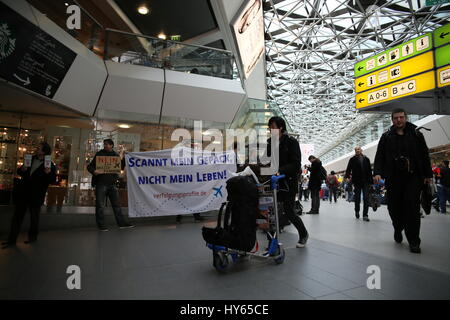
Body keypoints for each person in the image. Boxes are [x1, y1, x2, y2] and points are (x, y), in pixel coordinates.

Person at [374, 109, 433, 254]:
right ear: (392, 120)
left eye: (401, 117)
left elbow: (424, 155)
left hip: (413, 177)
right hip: (393, 178)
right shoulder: (386, 137)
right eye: (396, 118)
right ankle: (398, 227)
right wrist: (377, 172)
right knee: (394, 207)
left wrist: (427, 174)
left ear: (406, 118)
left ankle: (414, 241)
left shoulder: (417, 134)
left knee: (412, 208)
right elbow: (379, 156)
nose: (398, 120)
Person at [2, 142, 56, 248]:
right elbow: (20, 172)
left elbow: (52, 180)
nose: (37, 150)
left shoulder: (49, 164)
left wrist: (48, 173)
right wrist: (22, 170)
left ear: (44, 151)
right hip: (24, 192)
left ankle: (32, 238)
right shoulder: (30, 159)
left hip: (37, 194)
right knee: (17, 216)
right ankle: (11, 240)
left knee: (34, 217)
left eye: (39, 148)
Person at [267, 117, 309, 247]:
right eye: (269, 127)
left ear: (280, 128)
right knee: (271, 211)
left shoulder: (291, 142)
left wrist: (280, 170)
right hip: (273, 182)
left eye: (273, 127)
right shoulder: (269, 143)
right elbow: (266, 161)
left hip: (288, 182)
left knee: (289, 210)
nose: (270, 130)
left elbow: (296, 164)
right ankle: (272, 241)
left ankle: (303, 234)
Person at [87, 139, 134, 231]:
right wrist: (94, 171)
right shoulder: (99, 154)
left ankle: (121, 223)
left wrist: (125, 156)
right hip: (101, 183)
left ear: (111, 145)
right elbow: (90, 166)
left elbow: (120, 165)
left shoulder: (116, 155)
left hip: (112, 184)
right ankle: (101, 225)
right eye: (104, 144)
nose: (105, 146)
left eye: (107, 144)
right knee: (100, 205)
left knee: (117, 205)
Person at [345, 146, 373, 221]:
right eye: (356, 150)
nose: (357, 150)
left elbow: (370, 171)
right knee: (357, 198)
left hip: (366, 181)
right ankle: (357, 211)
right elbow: (348, 169)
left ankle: (365, 215)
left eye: (358, 149)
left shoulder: (366, 159)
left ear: (361, 150)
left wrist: (371, 182)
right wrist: (347, 177)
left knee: (366, 198)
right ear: (355, 151)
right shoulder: (352, 159)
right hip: (357, 181)